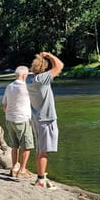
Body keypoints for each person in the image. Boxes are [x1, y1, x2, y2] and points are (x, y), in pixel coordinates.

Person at [26, 52, 64, 188]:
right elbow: (60, 66)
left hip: (36, 118)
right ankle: (41, 180)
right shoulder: (42, 79)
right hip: (46, 119)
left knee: (41, 149)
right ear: (45, 69)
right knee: (44, 151)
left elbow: (28, 72)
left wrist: (39, 61)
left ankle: (41, 176)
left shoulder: (29, 80)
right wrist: (49, 55)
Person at [2, 65, 34, 179]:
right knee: (27, 145)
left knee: (14, 146)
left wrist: (10, 113)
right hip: (23, 119)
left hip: (9, 119)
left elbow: (4, 105)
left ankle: (14, 167)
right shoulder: (26, 88)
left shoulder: (9, 86)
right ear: (24, 75)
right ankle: (22, 169)